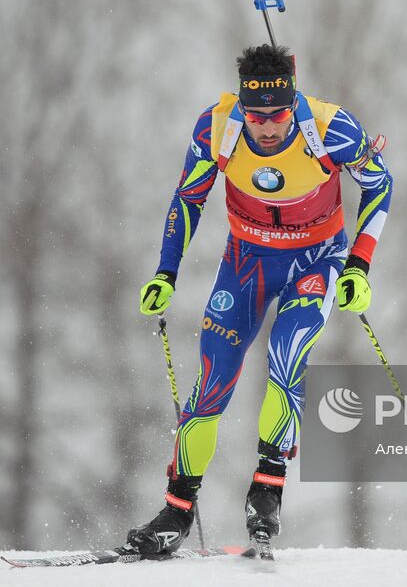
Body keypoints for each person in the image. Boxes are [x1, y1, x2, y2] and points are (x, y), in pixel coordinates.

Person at [124, 43, 393, 555]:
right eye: (256, 116)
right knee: (211, 381)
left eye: (278, 115)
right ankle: (175, 513)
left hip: (318, 259)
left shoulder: (332, 129)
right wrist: (165, 274)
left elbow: (381, 185)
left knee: (286, 357)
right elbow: (188, 198)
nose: (267, 128)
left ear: (293, 104)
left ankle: (266, 492)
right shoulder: (217, 128)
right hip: (247, 261)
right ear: (243, 108)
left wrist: (359, 264)